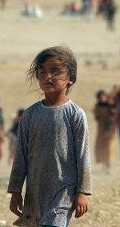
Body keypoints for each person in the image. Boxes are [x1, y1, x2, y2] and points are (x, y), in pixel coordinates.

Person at [7, 46, 92, 226]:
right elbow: (21, 155)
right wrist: (15, 190)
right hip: (35, 192)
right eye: (43, 72)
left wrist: (82, 192)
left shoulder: (75, 115)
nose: (48, 76)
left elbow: (83, 156)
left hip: (64, 191)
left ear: (70, 78)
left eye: (55, 71)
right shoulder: (30, 115)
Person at [93, 88, 117, 173]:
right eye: (100, 97)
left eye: (103, 96)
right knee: (101, 147)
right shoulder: (98, 106)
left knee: (108, 147)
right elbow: (97, 116)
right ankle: (103, 165)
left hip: (109, 129)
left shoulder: (110, 105)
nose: (102, 98)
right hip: (101, 129)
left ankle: (108, 165)